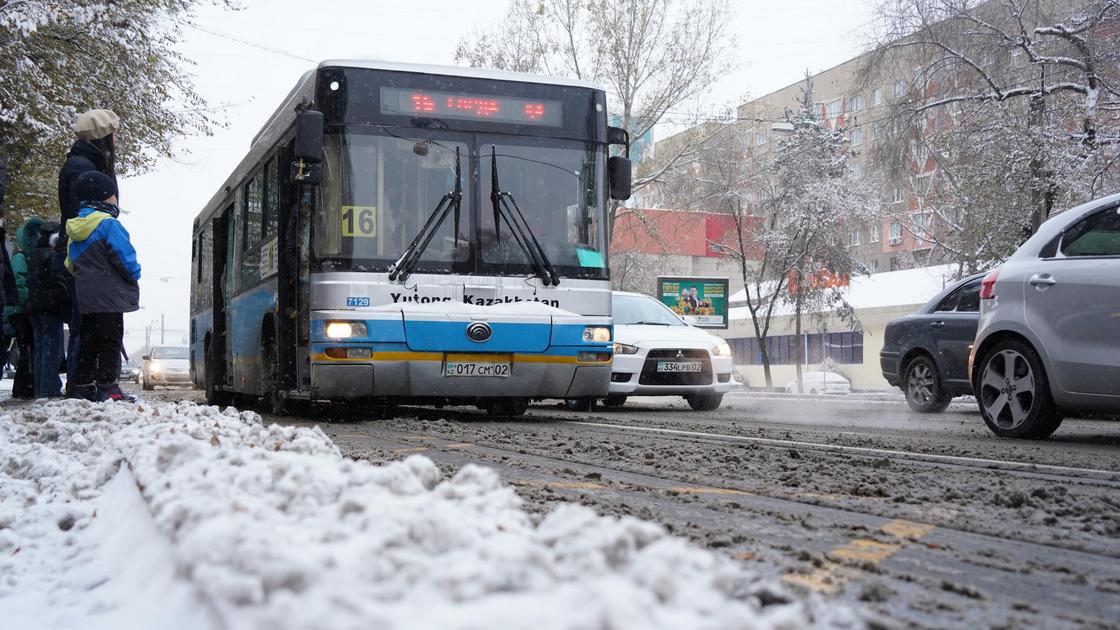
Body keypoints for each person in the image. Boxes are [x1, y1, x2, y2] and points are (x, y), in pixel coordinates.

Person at [58, 109, 120, 394]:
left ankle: (82, 384)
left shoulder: (78, 163)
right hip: (91, 260)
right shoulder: (86, 169)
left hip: (81, 257)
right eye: (113, 135)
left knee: (86, 322)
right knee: (93, 325)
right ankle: (87, 386)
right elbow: (86, 220)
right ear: (103, 138)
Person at [65, 171, 140, 402]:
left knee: (88, 340)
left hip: (86, 297)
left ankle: (84, 386)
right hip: (109, 297)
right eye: (113, 195)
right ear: (105, 198)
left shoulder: (75, 228)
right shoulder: (109, 225)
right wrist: (135, 273)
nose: (116, 199)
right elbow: (125, 258)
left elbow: (70, 263)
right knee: (110, 341)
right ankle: (109, 386)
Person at [26, 218, 69, 398]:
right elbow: (57, 281)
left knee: (40, 347)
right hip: (49, 307)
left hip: (34, 306)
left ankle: (39, 388)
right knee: (51, 347)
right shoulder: (51, 255)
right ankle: (49, 388)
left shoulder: (34, 254)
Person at [5, 217, 44, 398]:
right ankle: (25, 386)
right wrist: (29, 302)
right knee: (27, 348)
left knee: (27, 348)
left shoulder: (24, 256)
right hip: (21, 311)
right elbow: (19, 283)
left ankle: (24, 386)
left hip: (21, 310)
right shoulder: (22, 257)